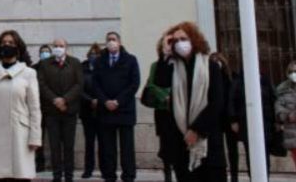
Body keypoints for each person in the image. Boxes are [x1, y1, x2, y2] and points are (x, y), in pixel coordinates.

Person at [161, 22, 225, 182]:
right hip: (181, 141)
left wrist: (196, 130)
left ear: (194, 39)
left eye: (183, 38)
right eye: (174, 41)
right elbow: (159, 84)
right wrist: (165, 53)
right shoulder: (171, 68)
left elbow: (216, 102)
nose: (179, 43)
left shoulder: (210, 66)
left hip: (207, 140)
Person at [0, 30, 41, 181]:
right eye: (4, 43)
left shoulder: (28, 73)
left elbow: (34, 108)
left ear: (18, 47)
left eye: (11, 43)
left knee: (19, 177)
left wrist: (35, 137)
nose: (7, 45)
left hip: (20, 137)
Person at [92, 31, 140, 182]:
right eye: (108, 40)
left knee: (127, 148)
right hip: (105, 111)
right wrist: (105, 101)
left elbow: (134, 84)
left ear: (119, 42)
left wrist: (118, 101)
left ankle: (128, 176)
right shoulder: (100, 61)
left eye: (113, 39)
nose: (111, 42)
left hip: (125, 110)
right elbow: (95, 84)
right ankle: (109, 176)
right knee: (107, 148)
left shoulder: (131, 60)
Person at [36, 38, 82, 182]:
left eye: (61, 46)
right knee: (54, 146)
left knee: (69, 146)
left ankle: (69, 176)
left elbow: (79, 84)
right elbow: (42, 85)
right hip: (51, 111)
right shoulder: (45, 64)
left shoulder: (75, 63)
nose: (58, 48)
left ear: (66, 47)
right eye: (55, 46)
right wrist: (55, 99)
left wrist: (65, 99)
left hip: (69, 111)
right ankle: (57, 176)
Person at [229, 68, 276, 177]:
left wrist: (276, 121)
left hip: (265, 123)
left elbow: (272, 99)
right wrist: (233, 119)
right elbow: (232, 101)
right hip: (246, 123)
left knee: (265, 154)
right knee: (251, 154)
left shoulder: (265, 80)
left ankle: (265, 176)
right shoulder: (238, 82)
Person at [141, 33, 174, 182]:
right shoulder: (156, 65)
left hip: (177, 109)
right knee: (165, 143)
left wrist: (172, 95)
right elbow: (151, 84)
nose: (169, 46)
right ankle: (167, 172)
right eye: (166, 43)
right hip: (162, 110)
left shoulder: (179, 64)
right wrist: (164, 96)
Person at [209, 52, 238, 182]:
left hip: (229, 118)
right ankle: (221, 174)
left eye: (218, 60)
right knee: (218, 148)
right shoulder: (209, 78)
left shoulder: (231, 77)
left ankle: (234, 175)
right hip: (215, 119)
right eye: (213, 60)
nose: (216, 63)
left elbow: (233, 98)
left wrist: (234, 118)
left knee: (233, 149)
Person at [80, 43, 101, 179]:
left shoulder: (104, 68)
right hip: (86, 110)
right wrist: (90, 100)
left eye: (96, 54)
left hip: (101, 110)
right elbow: (78, 88)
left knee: (104, 142)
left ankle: (105, 169)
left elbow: (107, 85)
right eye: (91, 53)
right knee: (89, 142)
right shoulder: (82, 68)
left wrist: (99, 100)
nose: (93, 56)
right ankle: (88, 169)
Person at [275, 61, 296, 169]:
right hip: (292, 133)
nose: (294, 74)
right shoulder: (282, 89)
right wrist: (287, 116)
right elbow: (278, 108)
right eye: (291, 71)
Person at [35, 44, 51, 173]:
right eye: (42, 52)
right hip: (37, 107)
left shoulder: (54, 67)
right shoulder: (34, 68)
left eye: (47, 51)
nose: (44, 54)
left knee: (55, 138)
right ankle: (39, 163)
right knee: (38, 138)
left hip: (52, 107)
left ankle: (57, 163)